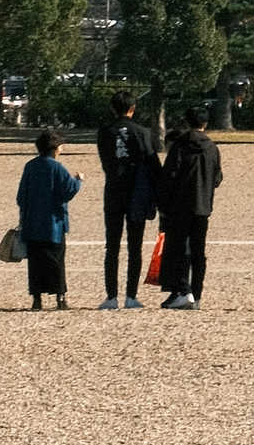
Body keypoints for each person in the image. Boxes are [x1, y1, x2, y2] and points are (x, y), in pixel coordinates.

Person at [96, 94, 157, 312]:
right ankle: (131, 295)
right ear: (132, 108)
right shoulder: (142, 132)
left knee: (111, 246)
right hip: (136, 194)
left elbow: (105, 160)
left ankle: (111, 296)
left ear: (113, 108)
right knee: (135, 246)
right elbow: (152, 164)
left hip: (113, 190)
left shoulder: (104, 131)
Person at [158, 107, 223, 308]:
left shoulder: (181, 146)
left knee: (179, 248)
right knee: (198, 251)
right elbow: (218, 177)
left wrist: (164, 202)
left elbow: (170, 175)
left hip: (180, 205)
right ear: (206, 123)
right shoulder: (212, 147)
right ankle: (197, 293)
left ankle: (183, 290)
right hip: (203, 205)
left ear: (187, 122)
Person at [16, 128, 83, 309]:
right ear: (54, 148)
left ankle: (36, 299)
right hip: (53, 225)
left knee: (35, 263)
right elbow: (67, 191)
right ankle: (60, 298)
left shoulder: (30, 166)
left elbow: (21, 197)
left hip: (32, 224)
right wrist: (79, 181)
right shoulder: (57, 167)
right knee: (56, 262)